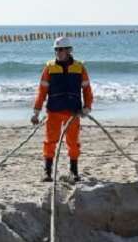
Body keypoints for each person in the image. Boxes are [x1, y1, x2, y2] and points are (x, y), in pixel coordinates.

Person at [32, 37, 93, 182]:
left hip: (73, 112)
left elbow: (87, 89)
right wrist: (36, 112)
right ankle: (47, 172)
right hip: (54, 111)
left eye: (61, 49)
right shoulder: (49, 67)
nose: (58, 52)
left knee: (73, 142)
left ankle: (74, 172)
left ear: (69, 50)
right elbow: (42, 91)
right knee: (50, 141)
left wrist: (87, 107)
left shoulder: (79, 68)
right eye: (56, 50)